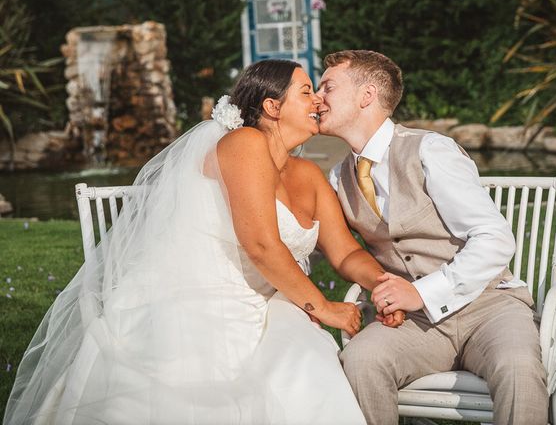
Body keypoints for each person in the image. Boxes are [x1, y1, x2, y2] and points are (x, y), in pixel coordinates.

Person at [3, 59, 404, 425]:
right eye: (305, 91)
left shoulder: (308, 175)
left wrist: (384, 286)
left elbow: (347, 251)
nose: (318, 99)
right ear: (271, 107)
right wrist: (327, 308)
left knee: (301, 358)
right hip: (204, 305)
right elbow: (261, 245)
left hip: (277, 303)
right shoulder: (244, 144)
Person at [316, 50, 548, 425]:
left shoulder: (429, 150)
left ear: (367, 95)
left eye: (328, 87)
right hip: (414, 324)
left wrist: (421, 292)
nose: (317, 97)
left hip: (488, 308)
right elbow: (321, 246)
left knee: (518, 367)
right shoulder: (336, 179)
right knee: (360, 360)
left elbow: (494, 237)